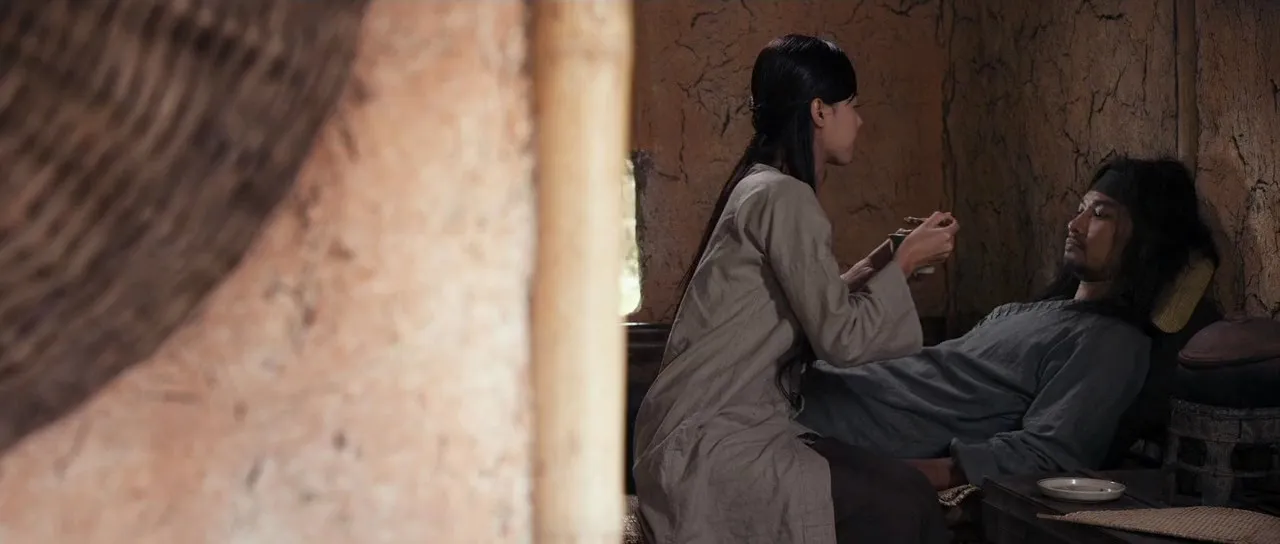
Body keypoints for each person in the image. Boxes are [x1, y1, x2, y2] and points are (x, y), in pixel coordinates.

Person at [631, 34, 958, 544]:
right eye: (852, 105)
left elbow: (813, 302)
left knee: (900, 490)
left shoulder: (762, 186)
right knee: (904, 502)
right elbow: (839, 338)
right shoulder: (784, 197)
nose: (859, 121)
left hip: (699, 432)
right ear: (820, 111)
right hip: (710, 445)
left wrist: (888, 257)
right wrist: (909, 259)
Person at [797, 156, 1219, 491]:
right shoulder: (1031, 312)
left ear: (1145, 239)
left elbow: (1046, 454)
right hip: (829, 389)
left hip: (841, 426)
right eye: (1079, 210)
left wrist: (901, 475)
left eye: (1100, 214)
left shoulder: (1111, 344)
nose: (1074, 225)